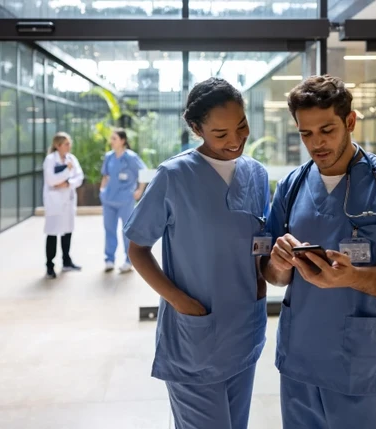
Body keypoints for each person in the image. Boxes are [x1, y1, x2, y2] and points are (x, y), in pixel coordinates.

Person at [260, 75, 376, 428]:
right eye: (306, 134)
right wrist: (279, 263)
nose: (317, 143)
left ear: (350, 121)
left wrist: (353, 277)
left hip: (361, 365)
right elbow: (273, 275)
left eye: (327, 130)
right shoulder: (293, 186)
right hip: (300, 360)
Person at [124, 77, 271, 429]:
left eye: (241, 126)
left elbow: (260, 245)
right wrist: (179, 301)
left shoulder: (257, 175)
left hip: (244, 329)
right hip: (196, 337)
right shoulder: (173, 177)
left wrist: (262, 282)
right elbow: (138, 248)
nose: (235, 141)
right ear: (196, 128)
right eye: (220, 134)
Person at [99, 128, 147, 273]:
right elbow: (105, 176)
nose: (111, 141)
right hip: (109, 200)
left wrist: (140, 190)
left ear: (122, 140)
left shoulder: (131, 157)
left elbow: (145, 172)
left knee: (127, 231)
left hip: (126, 200)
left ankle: (128, 260)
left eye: (114, 138)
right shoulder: (109, 156)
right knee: (109, 229)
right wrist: (102, 191)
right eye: (111, 139)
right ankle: (109, 259)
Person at [42, 132, 84, 279]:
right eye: (66, 143)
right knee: (53, 233)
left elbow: (79, 177)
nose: (69, 146)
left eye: (69, 143)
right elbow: (51, 180)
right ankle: (50, 266)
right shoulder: (50, 160)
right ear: (57, 145)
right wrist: (67, 171)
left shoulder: (72, 159)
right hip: (54, 203)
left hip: (68, 200)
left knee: (67, 231)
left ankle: (66, 261)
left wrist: (67, 183)